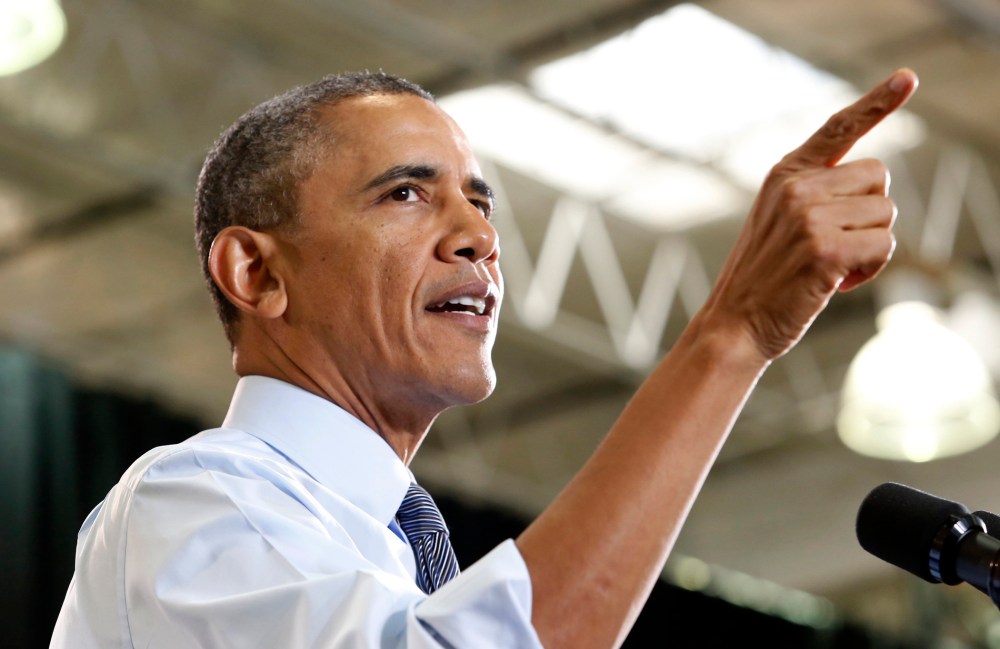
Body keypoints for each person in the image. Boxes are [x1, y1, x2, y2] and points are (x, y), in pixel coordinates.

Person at [49, 66, 919, 648]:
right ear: (256, 271)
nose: (477, 238)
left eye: (479, 202)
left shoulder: (387, 561)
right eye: (404, 193)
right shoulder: (188, 505)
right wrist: (730, 334)